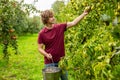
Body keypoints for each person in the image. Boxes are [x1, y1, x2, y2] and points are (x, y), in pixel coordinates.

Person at [38, 7, 90, 80]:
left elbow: (73, 23)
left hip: (61, 61)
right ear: (46, 20)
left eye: (53, 16)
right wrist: (46, 54)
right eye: (51, 17)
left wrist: (84, 14)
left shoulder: (60, 27)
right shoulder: (42, 33)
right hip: (49, 63)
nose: (53, 18)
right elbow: (40, 48)